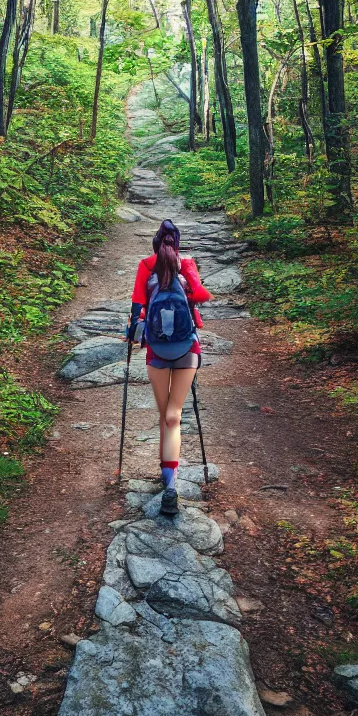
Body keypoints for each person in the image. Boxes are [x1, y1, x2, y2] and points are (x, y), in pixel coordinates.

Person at [127, 219, 213, 516]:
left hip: (156, 350)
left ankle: (169, 480)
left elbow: (137, 306)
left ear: (155, 242)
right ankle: (172, 486)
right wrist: (187, 281)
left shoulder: (145, 265)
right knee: (175, 417)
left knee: (165, 417)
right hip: (187, 348)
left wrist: (131, 335)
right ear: (176, 242)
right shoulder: (185, 263)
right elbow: (203, 296)